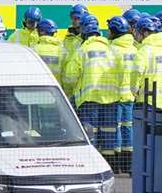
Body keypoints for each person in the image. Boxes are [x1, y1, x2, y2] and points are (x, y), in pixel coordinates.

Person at [71, 15, 122, 161]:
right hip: (111, 98)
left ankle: (91, 162)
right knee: (109, 132)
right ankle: (110, 163)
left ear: (84, 33)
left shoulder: (83, 50)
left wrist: (73, 90)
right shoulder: (112, 50)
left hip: (90, 98)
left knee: (90, 132)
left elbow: (71, 75)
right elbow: (121, 73)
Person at [106, 14, 139, 170]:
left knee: (116, 128)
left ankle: (117, 163)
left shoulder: (111, 49)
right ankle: (129, 164)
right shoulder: (134, 48)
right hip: (131, 95)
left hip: (116, 95)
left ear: (114, 31)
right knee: (128, 127)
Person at [132, 14, 162, 111]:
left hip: (147, 100)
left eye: (138, 32)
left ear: (145, 33)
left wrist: (134, 91)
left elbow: (136, 73)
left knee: (143, 126)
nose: (136, 35)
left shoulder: (143, 51)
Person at [33, 16, 65, 90]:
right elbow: (66, 74)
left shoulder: (33, 49)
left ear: (41, 31)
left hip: (36, 89)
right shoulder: (62, 50)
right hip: (56, 91)